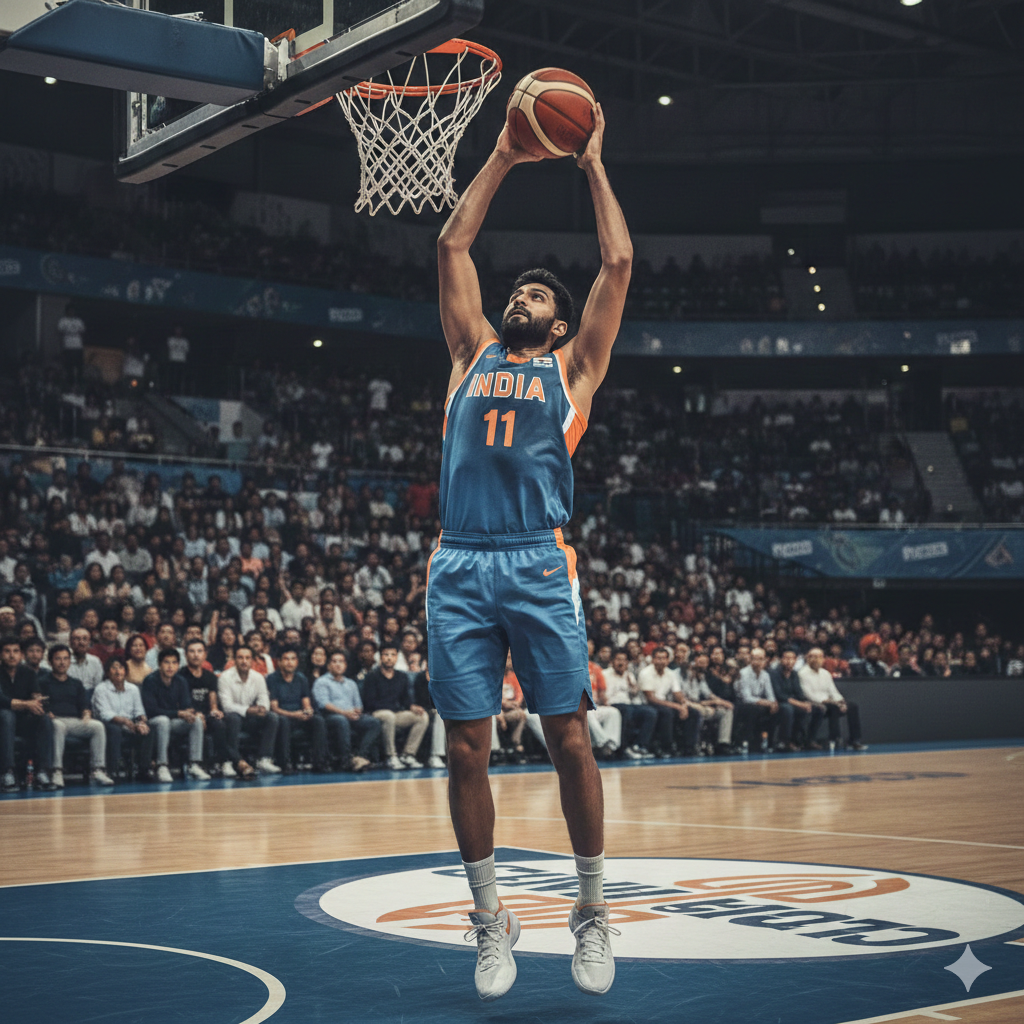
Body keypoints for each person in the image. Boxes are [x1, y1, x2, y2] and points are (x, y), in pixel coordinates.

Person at [432, 103, 631, 999]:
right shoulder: (469, 352)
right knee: (466, 750)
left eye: (541, 296)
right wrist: (508, 155)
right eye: (522, 290)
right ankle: (490, 920)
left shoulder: (574, 371)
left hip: (537, 560)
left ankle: (590, 910)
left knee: (568, 737)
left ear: (558, 326)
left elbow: (619, 263)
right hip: (461, 560)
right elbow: (451, 249)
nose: (524, 296)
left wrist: (590, 164)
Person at [42, 644, 114, 788]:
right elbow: (40, 704)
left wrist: (86, 713)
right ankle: (56, 771)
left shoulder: (76, 683)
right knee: (58, 725)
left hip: (75, 721)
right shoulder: (43, 682)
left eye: (65, 659)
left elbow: (84, 705)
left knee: (97, 726)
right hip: (55, 721)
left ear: (70, 661)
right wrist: (46, 713)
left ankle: (97, 769)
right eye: (58, 659)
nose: (62, 662)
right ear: (50, 662)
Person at [140, 649, 210, 782]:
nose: (170, 666)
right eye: (166, 662)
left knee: (196, 721)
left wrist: (192, 714)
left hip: (173, 721)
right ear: (160, 664)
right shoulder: (150, 680)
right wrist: (178, 713)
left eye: (174, 663)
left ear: (178, 665)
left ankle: (194, 764)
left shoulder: (181, 681)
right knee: (163, 721)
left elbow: (186, 704)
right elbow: (151, 710)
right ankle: (162, 765)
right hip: (153, 722)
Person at [361, 642, 428, 770]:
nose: (389, 657)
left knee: (421, 716)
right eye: (386, 654)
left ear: (397, 657)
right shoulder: (372, 676)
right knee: (388, 715)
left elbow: (405, 700)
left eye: (392, 654)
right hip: (377, 713)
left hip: (395, 713)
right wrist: (392, 707)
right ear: (380, 657)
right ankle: (390, 757)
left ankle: (408, 754)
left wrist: (412, 707)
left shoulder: (401, 676)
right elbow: (369, 702)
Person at [311, 649, 380, 772]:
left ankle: (359, 756)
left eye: (341, 661)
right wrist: (345, 713)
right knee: (341, 720)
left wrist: (356, 712)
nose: (338, 664)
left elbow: (358, 705)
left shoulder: (351, 683)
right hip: (330, 716)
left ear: (345, 665)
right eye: (334, 661)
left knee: (373, 722)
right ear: (328, 665)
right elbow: (323, 704)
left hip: (350, 715)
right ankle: (345, 760)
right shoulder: (321, 682)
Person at [0, 635, 54, 791]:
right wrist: (26, 704)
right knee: (6, 715)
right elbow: (3, 700)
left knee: (43, 718)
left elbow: (35, 694)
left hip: (22, 721)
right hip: (2, 721)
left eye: (16, 651)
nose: (12, 655)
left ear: (21, 655)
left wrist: (37, 701)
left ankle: (43, 772)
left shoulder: (28, 672)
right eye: (7, 651)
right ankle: (7, 772)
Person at [217, 643, 280, 777]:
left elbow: (264, 698)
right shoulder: (225, 677)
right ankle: (230, 762)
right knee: (233, 718)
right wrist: (249, 710)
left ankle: (264, 759)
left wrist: (262, 708)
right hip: (231, 718)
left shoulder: (258, 677)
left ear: (252, 660)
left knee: (272, 717)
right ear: (234, 660)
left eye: (247, 658)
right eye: (240, 658)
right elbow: (226, 706)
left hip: (251, 718)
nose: (244, 661)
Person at [267, 646, 328, 773]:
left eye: (293, 659)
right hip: (284, 716)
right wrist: (294, 714)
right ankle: (285, 763)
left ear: (297, 662)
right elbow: (274, 708)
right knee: (283, 721)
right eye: (286, 659)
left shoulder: (301, 678)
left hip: (299, 716)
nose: (289, 662)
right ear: (279, 662)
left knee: (318, 720)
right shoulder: (272, 679)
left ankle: (319, 762)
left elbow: (306, 701)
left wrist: (308, 711)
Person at [92, 655, 154, 780]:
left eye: (120, 668)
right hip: (109, 725)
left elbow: (139, 711)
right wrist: (125, 721)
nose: (117, 671)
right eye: (113, 668)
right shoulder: (101, 689)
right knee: (114, 730)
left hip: (130, 725)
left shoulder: (133, 689)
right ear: (108, 672)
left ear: (125, 671)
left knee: (149, 728)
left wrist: (141, 722)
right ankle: (112, 771)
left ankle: (144, 770)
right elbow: (104, 714)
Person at [798, 647, 868, 751]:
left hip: (831, 702)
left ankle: (854, 740)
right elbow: (808, 694)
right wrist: (833, 703)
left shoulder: (825, 673)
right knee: (833, 707)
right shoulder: (802, 673)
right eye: (812, 657)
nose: (816, 659)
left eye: (819, 657)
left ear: (823, 659)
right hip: (814, 703)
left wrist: (841, 702)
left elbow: (833, 691)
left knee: (852, 706)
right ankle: (834, 739)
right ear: (807, 658)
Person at [177, 638, 229, 775]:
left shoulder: (210, 677)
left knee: (219, 723)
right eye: (192, 651)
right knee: (197, 723)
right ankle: (196, 765)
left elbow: (212, 697)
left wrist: (214, 710)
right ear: (185, 654)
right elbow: (182, 702)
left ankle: (223, 763)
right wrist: (196, 714)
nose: (196, 655)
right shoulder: (180, 676)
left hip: (206, 714)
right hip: (188, 716)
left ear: (205, 655)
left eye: (199, 651)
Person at [769, 648, 817, 752]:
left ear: (796, 660)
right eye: (786, 658)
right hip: (778, 703)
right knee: (788, 709)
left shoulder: (794, 674)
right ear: (781, 659)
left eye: (792, 658)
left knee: (812, 708)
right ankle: (783, 742)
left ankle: (802, 740)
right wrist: (800, 704)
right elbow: (780, 695)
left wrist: (805, 702)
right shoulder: (774, 673)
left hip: (794, 702)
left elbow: (799, 693)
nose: (789, 661)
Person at [735, 647, 780, 752]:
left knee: (777, 709)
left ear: (765, 660)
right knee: (755, 709)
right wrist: (767, 703)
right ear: (750, 660)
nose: (758, 662)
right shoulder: (743, 673)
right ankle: (752, 742)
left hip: (759, 703)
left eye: (761, 659)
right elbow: (746, 697)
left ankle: (771, 743)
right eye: (755, 659)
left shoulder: (765, 675)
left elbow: (770, 695)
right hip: (742, 703)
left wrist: (773, 704)